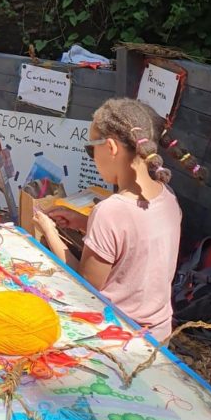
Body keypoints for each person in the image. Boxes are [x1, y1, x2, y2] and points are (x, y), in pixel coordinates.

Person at [34, 97, 182, 341]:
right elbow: (138, 244)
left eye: (91, 148)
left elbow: (87, 289)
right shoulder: (168, 196)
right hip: (159, 334)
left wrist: (49, 232)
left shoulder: (110, 211)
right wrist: (84, 223)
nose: (92, 155)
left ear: (111, 148)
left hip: (119, 336)